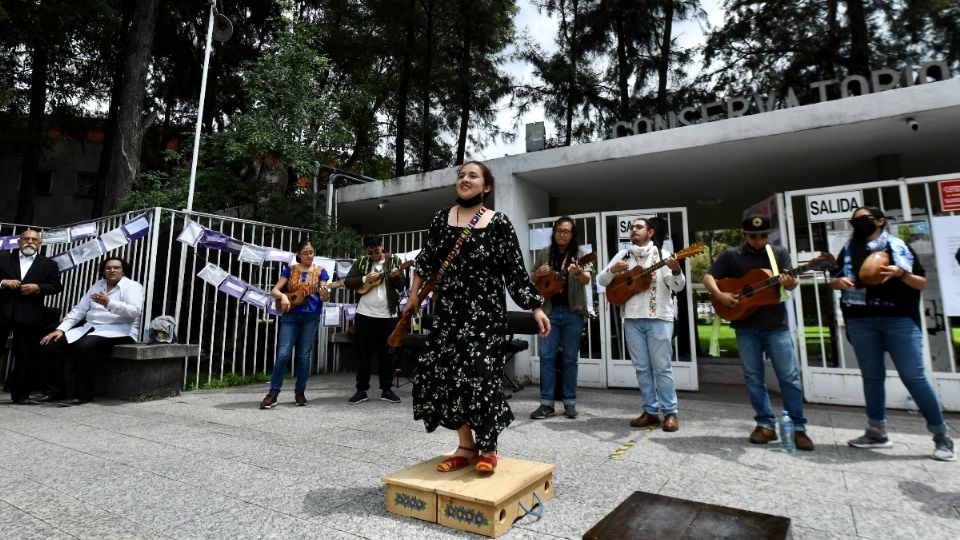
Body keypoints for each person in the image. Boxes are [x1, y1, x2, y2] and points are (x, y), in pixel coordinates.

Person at [401, 160, 550, 474]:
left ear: (487, 187)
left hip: (484, 315)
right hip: (448, 314)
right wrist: (414, 294)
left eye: (472, 175)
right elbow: (426, 262)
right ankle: (466, 446)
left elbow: (514, 272)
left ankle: (489, 446)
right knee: (448, 376)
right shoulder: (442, 219)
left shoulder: (498, 223)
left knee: (479, 374)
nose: (464, 179)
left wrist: (535, 306)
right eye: (460, 175)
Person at [831, 206, 954, 461]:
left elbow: (921, 282)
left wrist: (901, 273)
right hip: (861, 320)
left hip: (898, 320)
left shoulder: (898, 247)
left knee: (914, 376)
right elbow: (834, 279)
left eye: (864, 219)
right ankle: (876, 430)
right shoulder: (848, 249)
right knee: (872, 376)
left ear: (880, 221)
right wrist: (837, 282)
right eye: (855, 221)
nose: (859, 224)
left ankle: (941, 435)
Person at [703, 215, 814, 450]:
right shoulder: (732, 255)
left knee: (789, 377)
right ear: (744, 235)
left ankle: (798, 428)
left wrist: (789, 282)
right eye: (753, 236)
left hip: (776, 326)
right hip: (745, 326)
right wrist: (720, 295)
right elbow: (708, 276)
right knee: (754, 378)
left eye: (763, 235)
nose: (759, 240)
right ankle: (764, 424)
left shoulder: (779, 254)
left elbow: (792, 284)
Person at [597, 217, 684, 432]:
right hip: (631, 320)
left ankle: (670, 413)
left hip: (659, 319)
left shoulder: (663, 256)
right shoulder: (623, 255)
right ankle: (650, 412)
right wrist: (612, 270)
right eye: (632, 227)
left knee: (662, 368)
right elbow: (601, 280)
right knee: (642, 369)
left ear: (651, 232)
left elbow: (678, 286)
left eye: (639, 227)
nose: (634, 230)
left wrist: (675, 270)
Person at [39, 257, 143, 405]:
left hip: (119, 329)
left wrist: (109, 303)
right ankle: (55, 392)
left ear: (123, 270)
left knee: (84, 346)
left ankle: (83, 395)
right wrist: (60, 329)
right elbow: (79, 310)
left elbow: (134, 312)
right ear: (103, 271)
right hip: (91, 327)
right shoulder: (97, 286)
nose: (112, 271)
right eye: (108, 268)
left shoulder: (132, 286)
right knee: (52, 343)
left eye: (116, 268)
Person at [529, 216, 593, 420]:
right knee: (547, 356)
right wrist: (538, 273)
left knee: (569, 359)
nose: (562, 234)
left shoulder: (581, 254)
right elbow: (531, 280)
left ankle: (570, 402)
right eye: (558, 230)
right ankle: (546, 403)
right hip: (549, 312)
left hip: (573, 312)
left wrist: (578, 272)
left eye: (566, 231)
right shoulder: (545, 253)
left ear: (572, 234)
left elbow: (586, 279)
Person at [260, 239, 329, 409]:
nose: (309, 255)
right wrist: (283, 296)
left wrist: (325, 292)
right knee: (283, 354)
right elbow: (275, 290)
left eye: (311, 252)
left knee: (304, 356)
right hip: (290, 316)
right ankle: (273, 394)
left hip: (311, 316)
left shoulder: (321, 272)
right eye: (305, 252)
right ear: (298, 254)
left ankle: (300, 392)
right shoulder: (290, 270)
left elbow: (324, 297)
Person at [0, 229, 63, 404]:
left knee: (25, 356)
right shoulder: (3, 258)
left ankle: (20, 395)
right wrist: (2, 282)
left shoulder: (49, 264)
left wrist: (38, 288)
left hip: (29, 316)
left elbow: (57, 287)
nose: (29, 242)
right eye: (25, 239)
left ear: (40, 244)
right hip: (2, 313)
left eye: (33, 239)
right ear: (18, 242)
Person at [343, 234, 407, 404]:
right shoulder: (362, 262)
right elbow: (348, 282)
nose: (375, 254)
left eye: (377, 251)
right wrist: (365, 278)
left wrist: (396, 276)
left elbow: (402, 285)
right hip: (364, 314)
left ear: (382, 245)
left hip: (388, 315)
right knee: (363, 353)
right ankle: (361, 390)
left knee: (387, 354)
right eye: (371, 252)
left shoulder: (393, 261)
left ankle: (387, 389)